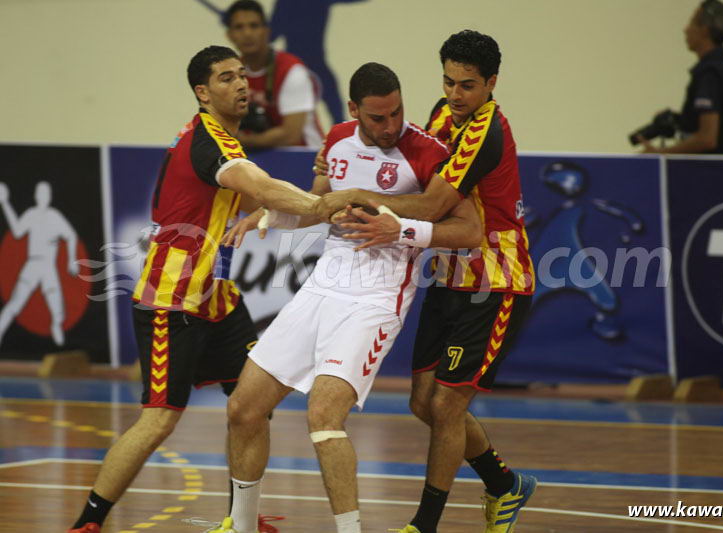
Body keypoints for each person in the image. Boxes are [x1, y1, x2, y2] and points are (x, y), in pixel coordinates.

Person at [205, 62, 482, 533]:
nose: (390, 125)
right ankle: (243, 525)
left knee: (324, 416)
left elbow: (471, 230)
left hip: (375, 300)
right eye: (377, 118)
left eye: (396, 113)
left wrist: (402, 227)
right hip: (320, 288)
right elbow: (319, 208)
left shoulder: (429, 151)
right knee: (243, 407)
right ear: (353, 110)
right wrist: (270, 217)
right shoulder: (335, 139)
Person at [67, 45, 320, 533]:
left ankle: (240, 520)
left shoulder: (226, 141)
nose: (242, 84)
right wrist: (326, 204)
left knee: (253, 405)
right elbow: (263, 190)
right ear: (203, 93)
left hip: (218, 297)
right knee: (160, 419)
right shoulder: (210, 144)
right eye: (227, 78)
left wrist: (306, 200)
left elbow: (259, 201)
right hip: (172, 299)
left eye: (243, 75)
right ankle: (87, 523)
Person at [315, 30, 537, 533]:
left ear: (492, 84)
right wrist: (340, 157)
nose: (456, 95)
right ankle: (505, 486)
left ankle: (424, 525)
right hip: (448, 272)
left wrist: (356, 194)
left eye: (469, 86)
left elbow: (435, 205)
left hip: (495, 280)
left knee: (447, 403)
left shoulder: (486, 132)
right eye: (449, 82)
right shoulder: (441, 114)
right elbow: (406, 159)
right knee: (424, 403)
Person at [639, 0, 723, 154]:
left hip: (715, 174)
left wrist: (660, 153)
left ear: (704, 30)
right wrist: (681, 120)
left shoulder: (709, 72)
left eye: (691, 23)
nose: (685, 30)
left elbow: (707, 138)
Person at [224, 0, 324, 149]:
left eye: (254, 26)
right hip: (257, 159)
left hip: (305, 157)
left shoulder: (291, 70)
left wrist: (239, 141)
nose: (247, 33)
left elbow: (291, 135)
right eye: (239, 27)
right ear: (230, 35)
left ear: (266, 31)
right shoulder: (229, 72)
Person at [0, 181, 78, 347]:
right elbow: (17, 231)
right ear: (36, 196)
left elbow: (71, 235)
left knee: (58, 311)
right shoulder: (31, 214)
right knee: (15, 303)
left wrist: (71, 260)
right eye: (40, 193)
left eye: (46, 193)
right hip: (32, 265)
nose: (43, 197)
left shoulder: (55, 216)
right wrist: (5, 203)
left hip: (48, 268)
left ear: (50, 197)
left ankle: (56, 324)